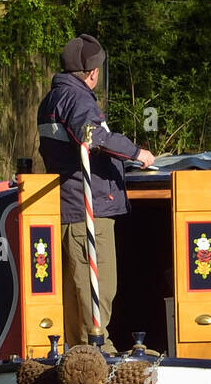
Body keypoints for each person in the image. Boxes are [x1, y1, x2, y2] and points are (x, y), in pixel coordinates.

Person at [37, 34, 155, 351]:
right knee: (98, 284)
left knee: (76, 287)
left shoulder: (51, 99)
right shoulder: (78, 99)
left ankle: (79, 349)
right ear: (92, 73)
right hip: (88, 209)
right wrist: (137, 153)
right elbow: (93, 135)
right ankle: (98, 349)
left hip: (67, 205)